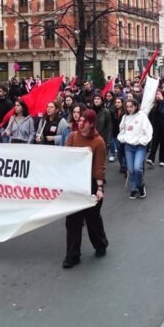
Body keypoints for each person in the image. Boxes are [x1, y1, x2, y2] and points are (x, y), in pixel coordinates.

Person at [63, 109, 108, 268]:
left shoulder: (98, 142)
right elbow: (65, 158)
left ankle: (100, 244)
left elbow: (99, 167)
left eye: (84, 121)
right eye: (79, 120)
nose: (80, 123)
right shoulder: (72, 137)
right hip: (74, 183)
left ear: (91, 123)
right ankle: (72, 255)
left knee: (92, 219)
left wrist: (100, 188)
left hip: (91, 184)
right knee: (72, 221)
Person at [117, 97, 153, 199]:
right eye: (127, 107)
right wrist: (123, 138)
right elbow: (121, 130)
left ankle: (140, 186)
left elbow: (148, 130)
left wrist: (143, 141)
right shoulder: (125, 117)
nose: (129, 109)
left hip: (140, 147)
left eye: (131, 107)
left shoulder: (142, 116)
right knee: (131, 170)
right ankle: (133, 188)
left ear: (136, 106)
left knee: (137, 168)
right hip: (128, 147)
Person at [91, 94, 113, 158]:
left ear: (102, 101)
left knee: (100, 158)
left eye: (98, 99)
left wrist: (108, 141)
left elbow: (109, 126)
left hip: (102, 138)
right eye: (95, 99)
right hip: (91, 137)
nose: (96, 100)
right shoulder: (90, 111)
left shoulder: (106, 112)